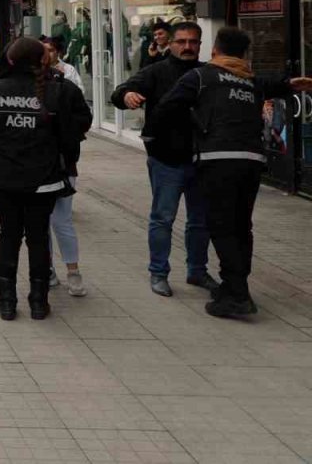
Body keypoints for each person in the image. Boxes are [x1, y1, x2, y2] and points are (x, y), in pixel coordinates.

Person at [149, 27, 312, 317]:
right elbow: (271, 85)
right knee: (241, 226)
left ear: (214, 51)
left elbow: (165, 109)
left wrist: (164, 136)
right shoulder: (248, 80)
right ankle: (236, 287)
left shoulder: (200, 76)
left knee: (222, 226)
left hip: (217, 160)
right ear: (245, 55)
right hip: (251, 163)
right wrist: (289, 84)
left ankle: (236, 295)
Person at [0, 38, 91, 321]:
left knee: (8, 237)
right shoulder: (59, 91)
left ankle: (7, 301)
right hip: (45, 180)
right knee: (38, 240)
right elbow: (75, 131)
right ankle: (39, 301)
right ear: (43, 61)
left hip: (4, 180)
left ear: (9, 60)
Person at [110, 21, 219, 298]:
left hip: (203, 159)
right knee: (163, 218)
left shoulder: (208, 73)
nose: (187, 47)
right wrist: (127, 95)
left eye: (193, 42)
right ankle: (158, 272)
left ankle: (197, 270)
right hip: (166, 158)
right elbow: (121, 91)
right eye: (181, 42)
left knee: (200, 220)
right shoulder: (156, 72)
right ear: (170, 44)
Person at [41, 37, 87, 297]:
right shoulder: (27, 87)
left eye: (49, 51)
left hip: (63, 163)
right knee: (40, 223)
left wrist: (67, 138)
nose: (45, 56)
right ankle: (47, 268)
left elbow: (83, 118)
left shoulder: (67, 82)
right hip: (37, 165)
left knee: (62, 220)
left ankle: (73, 271)